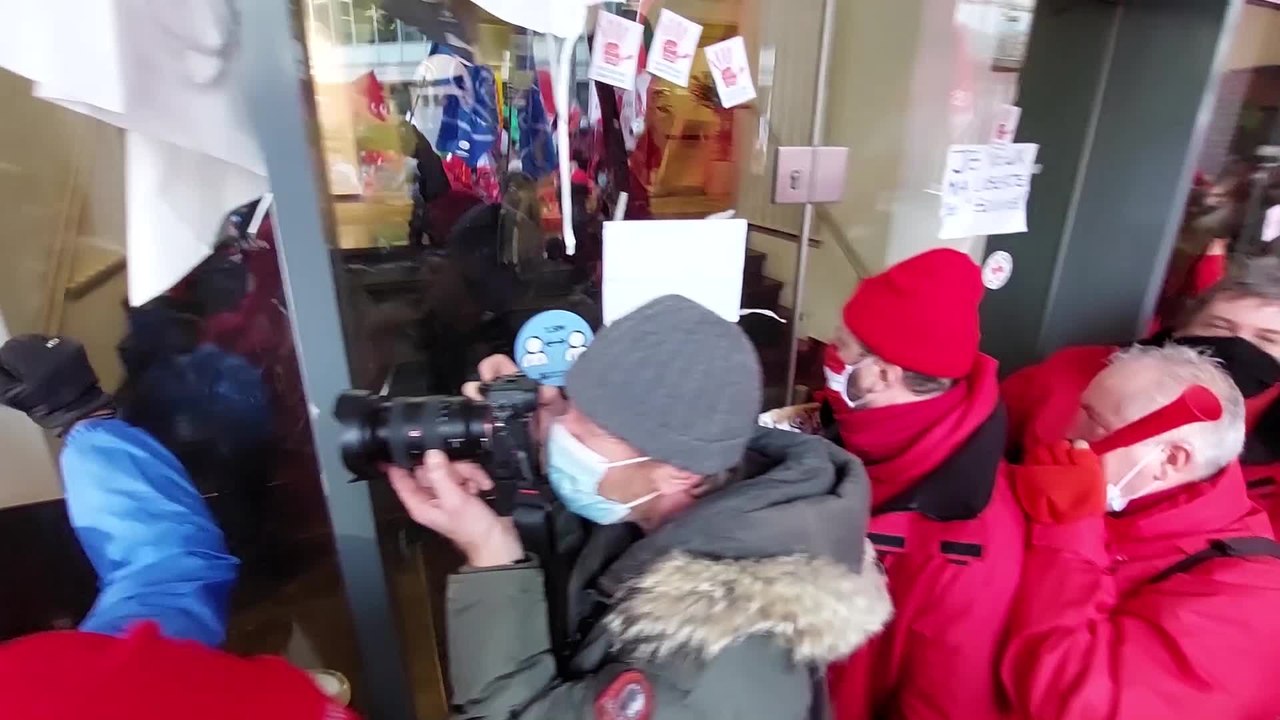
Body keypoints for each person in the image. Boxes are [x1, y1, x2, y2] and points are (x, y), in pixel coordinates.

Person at [389, 294, 891, 719]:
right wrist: (519, 465)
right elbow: (587, 588)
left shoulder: (712, 658)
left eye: (592, 431)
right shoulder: (665, 510)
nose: (562, 432)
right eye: (565, 404)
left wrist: (492, 558)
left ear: (679, 472)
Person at [0, 333, 353, 719]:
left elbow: (160, 583)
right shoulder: (48, 686)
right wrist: (85, 420)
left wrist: (84, 419)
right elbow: (163, 581)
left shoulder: (43, 686)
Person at [1001, 345, 1280, 719]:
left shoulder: (1247, 596)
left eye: (1095, 425)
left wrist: (1068, 528)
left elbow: (1072, 702)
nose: (1070, 438)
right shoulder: (1111, 503)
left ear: (1170, 459)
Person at [822, 249, 1025, 719]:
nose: (830, 354)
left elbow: (943, 704)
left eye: (842, 344)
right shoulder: (875, 435)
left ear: (882, 375)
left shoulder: (969, 549)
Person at [1002, 256, 1280, 527]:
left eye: (1268, 338)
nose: (1238, 346)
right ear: (1184, 328)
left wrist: (1074, 523)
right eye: (1219, 326)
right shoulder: (1075, 370)